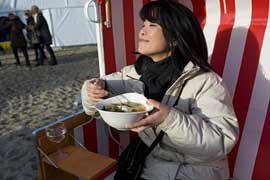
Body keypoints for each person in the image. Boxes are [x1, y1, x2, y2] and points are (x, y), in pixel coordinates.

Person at [81, 1, 239, 180]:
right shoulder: (134, 73)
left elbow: (221, 142)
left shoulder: (206, 82)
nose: (142, 31)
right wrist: (91, 91)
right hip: (148, 162)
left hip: (192, 171)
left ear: (175, 38)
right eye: (143, 25)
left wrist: (169, 119)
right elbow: (92, 106)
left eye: (152, 25)